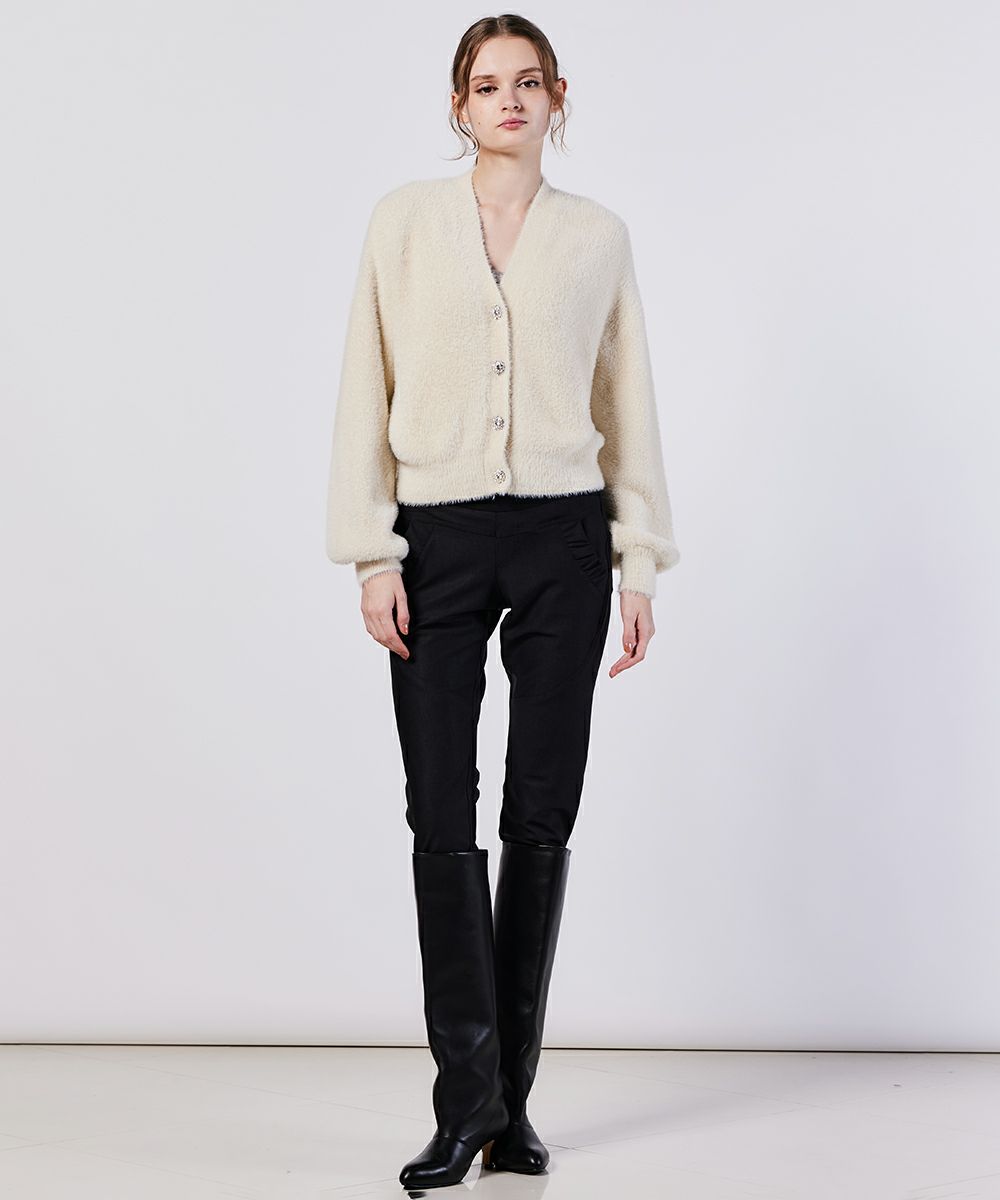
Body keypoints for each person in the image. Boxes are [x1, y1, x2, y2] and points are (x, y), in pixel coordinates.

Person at [325, 14, 680, 1190]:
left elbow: (627, 401)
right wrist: (372, 555)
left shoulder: (596, 237)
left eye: (529, 83)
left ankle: (506, 1108)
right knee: (440, 808)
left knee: (540, 808)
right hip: (435, 540)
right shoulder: (401, 225)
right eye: (487, 86)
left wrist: (637, 561)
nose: (509, 101)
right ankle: (465, 1102)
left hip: (564, 540)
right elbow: (362, 386)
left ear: (556, 97)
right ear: (459, 105)